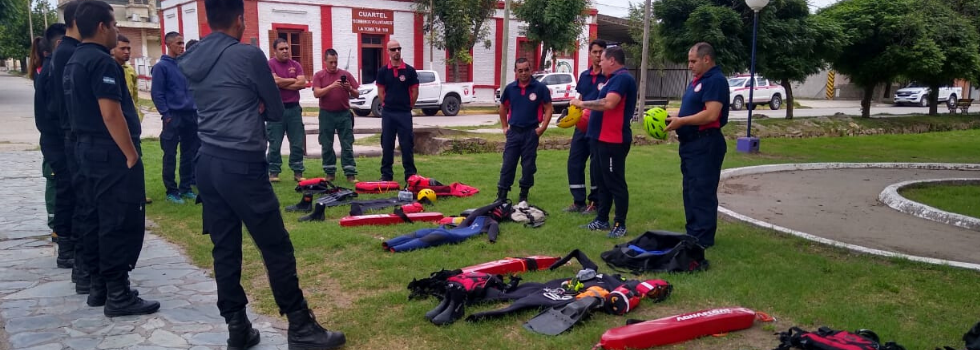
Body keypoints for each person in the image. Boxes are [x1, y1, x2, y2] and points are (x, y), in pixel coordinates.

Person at [178, 0, 346, 348]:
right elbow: (273, 109)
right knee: (275, 245)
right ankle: (300, 326)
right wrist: (253, 98)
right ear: (240, 19)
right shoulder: (248, 56)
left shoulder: (191, 58)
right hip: (241, 161)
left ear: (209, 18)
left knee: (225, 248)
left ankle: (237, 327)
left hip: (207, 161)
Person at [64, 0, 160, 316]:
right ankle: (118, 293)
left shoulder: (74, 60)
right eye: (115, 25)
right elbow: (110, 113)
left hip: (86, 151)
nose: (117, 31)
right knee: (118, 220)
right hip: (109, 154)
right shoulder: (102, 62)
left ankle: (99, 287)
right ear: (103, 26)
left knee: (93, 217)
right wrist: (130, 154)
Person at [664, 42, 729, 248]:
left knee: (702, 190)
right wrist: (672, 118)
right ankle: (692, 233)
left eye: (693, 61)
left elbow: (711, 114)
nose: (689, 65)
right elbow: (691, 110)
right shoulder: (697, 81)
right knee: (690, 189)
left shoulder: (715, 80)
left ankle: (703, 239)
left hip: (706, 142)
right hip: (691, 144)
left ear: (706, 59)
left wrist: (682, 121)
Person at [570, 46, 636, 238]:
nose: (600, 62)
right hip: (599, 139)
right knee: (602, 182)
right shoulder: (611, 80)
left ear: (612, 61)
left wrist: (582, 104)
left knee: (615, 182)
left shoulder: (622, 78)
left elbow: (609, 104)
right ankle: (601, 219)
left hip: (613, 140)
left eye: (603, 59)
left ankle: (620, 223)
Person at [50, 0, 89, 293]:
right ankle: (69, 249)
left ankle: (75, 252)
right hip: (69, 135)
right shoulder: (67, 53)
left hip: (69, 134)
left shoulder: (68, 52)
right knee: (74, 196)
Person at [33, 27, 69, 264]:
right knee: (63, 191)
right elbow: (56, 112)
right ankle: (66, 247)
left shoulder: (50, 69)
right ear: (58, 44)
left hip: (56, 141)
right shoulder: (51, 72)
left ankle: (67, 245)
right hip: (57, 143)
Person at [495, 57, 553, 203]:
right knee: (508, 164)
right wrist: (504, 127)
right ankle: (501, 196)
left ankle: (523, 195)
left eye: (526, 70)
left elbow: (548, 108)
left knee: (528, 166)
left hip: (531, 132)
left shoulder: (540, 88)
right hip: (514, 132)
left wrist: (542, 128)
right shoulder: (510, 89)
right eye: (520, 70)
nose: (524, 73)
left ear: (530, 69)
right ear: (515, 72)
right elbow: (503, 107)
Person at [152, 31, 199, 204]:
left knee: (189, 153)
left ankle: (185, 187)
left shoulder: (185, 65)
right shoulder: (161, 67)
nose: (181, 46)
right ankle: (171, 190)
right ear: (169, 44)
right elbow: (157, 93)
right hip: (173, 116)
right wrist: (166, 114)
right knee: (170, 154)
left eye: (182, 43)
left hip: (190, 115)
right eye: (178, 43)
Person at [565, 39, 607, 214]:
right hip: (582, 126)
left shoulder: (609, 76)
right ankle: (578, 201)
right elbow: (580, 98)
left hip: (599, 127)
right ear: (590, 54)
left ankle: (595, 202)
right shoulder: (584, 76)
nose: (598, 56)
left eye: (601, 52)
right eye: (595, 52)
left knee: (595, 165)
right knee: (574, 162)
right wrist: (572, 115)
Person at [112, 34, 152, 204]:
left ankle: (138, 195)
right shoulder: (109, 68)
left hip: (131, 121)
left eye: (129, 48)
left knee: (137, 160)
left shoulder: (129, 70)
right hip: (117, 124)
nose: (127, 52)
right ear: (113, 49)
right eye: (123, 48)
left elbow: (134, 97)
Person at [312, 48, 360, 183]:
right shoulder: (319, 75)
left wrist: (349, 88)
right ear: (325, 61)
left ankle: (350, 173)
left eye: (336, 62)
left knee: (347, 143)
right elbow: (317, 93)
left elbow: (357, 93)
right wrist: (331, 86)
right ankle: (330, 172)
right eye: (331, 62)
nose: (334, 65)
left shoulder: (346, 74)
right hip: (326, 114)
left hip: (344, 113)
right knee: (326, 144)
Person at [376, 39, 419, 182]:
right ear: (388, 52)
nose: (397, 52)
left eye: (398, 49)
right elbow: (380, 92)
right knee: (387, 144)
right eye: (393, 49)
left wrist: (408, 106)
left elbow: (414, 92)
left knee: (407, 144)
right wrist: (386, 104)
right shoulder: (382, 71)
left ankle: (410, 174)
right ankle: (386, 174)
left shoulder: (410, 71)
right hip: (388, 113)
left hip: (404, 113)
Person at [267, 38, 307, 183]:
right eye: (281, 49)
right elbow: (274, 82)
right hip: (276, 110)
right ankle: (274, 172)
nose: (285, 51)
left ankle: (298, 172)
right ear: (275, 51)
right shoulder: (269, 64)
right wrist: (292, 80)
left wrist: (282, 81)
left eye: (287, 48)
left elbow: (302, 83)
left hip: (294, 109)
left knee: (297, 142)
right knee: (275, 143)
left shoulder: (295, 64)